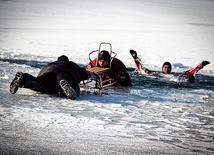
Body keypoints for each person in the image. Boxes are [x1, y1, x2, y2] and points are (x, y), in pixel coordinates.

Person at [10, 55, 89, 100]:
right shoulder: (71, 64)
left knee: (40, 84)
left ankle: (24, 78)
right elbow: (84, 73)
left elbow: (41, 73)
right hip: (65, 73)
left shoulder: (51, 64)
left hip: (49, 73)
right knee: (64, 79)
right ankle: (65, 86)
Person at [130, 50, 210, 82]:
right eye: (165, 67)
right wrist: (135, 58)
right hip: (158, 80)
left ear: (170, 69)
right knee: (144, 71)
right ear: (162, 68)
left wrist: (200, 66)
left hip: (172, 81)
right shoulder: (156, 73)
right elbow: (142, 69)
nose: (166, 69)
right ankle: (135, 57)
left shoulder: (174, 75)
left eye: (168, 68)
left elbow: (189, 72)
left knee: (189, 75)